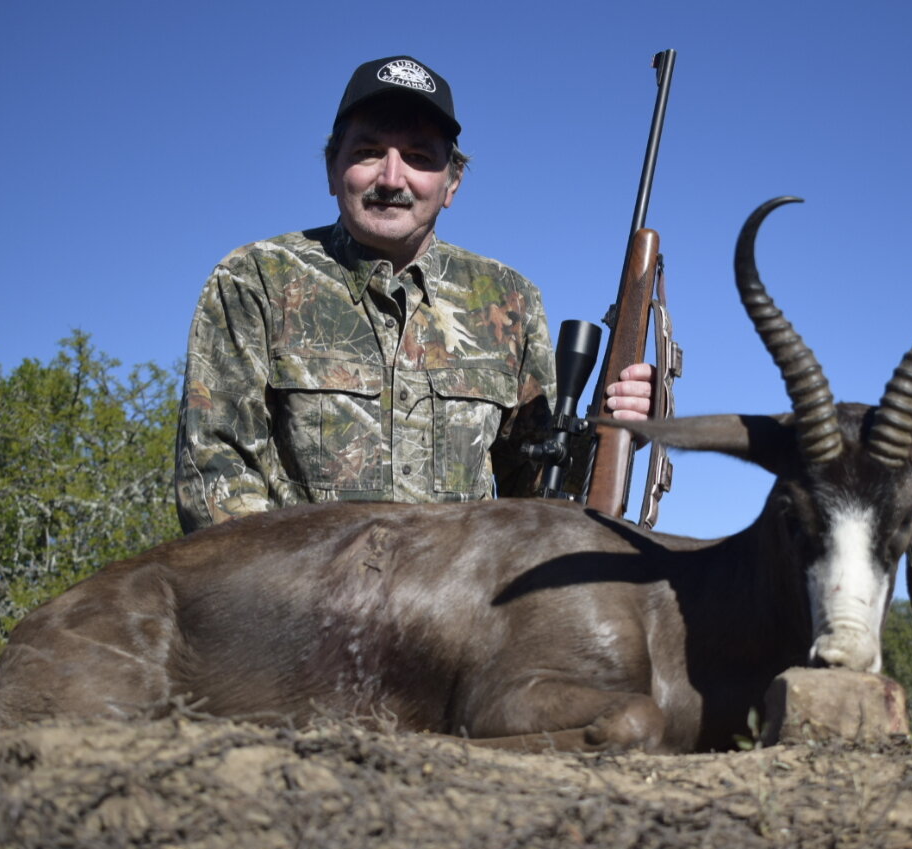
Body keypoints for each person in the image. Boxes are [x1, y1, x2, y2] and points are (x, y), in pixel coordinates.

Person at [176, 55, 651, 533]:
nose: (391, 178)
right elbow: (214, 475)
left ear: (452, 183)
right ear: (331, 168)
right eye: (368, 152)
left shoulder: (509, 299)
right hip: (302, 602)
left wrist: (609, 432)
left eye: (419, 158)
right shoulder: (255, 278)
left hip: (464, 602)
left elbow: (538, 488)